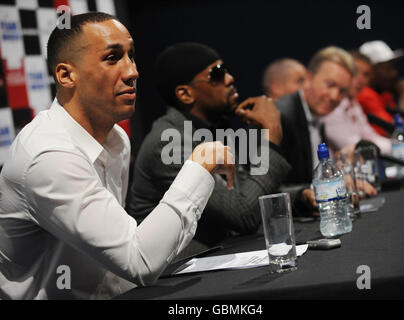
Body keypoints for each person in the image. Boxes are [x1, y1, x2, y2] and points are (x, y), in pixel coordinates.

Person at [0, 13, 235, 300]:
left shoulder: (116, 140)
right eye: (112, 58)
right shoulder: (49, 156)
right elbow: (139, 260)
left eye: (131, 56)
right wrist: (200, 165)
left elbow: (123, 260)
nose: (132, 72)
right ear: (66, 75)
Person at [130, 42, 314, 253]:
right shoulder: (168, 144)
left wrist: (300, 196)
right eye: (217, 74)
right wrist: (271, 136)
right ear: (185, 94)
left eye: (225, 70)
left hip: (213, 258)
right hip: (176, 273)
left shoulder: (208, 130)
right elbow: (243, 214)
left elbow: (244, 191)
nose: (230, 78)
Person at [273, 46, 356, 187]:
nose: (334, 96)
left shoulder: (316, 115)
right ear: (308, 79)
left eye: (342, 91)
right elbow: (270, 189)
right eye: (330, 85)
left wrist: (340, 181)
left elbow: (312, 178)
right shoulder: (280, 117)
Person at [321, 51, 392, 155]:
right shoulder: (332, 104)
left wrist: (400, 146)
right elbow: (355, 146)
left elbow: (370, 136)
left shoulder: (353, 104)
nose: (360, 79)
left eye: (366, 74)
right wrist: (398, 147)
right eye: (355, 71)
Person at [357, 40, 404, 136]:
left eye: (394, 67)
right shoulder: (364, 94)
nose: (394, 73)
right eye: (388, 68)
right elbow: (396, 132)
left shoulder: (385, 93)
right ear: (372, 70)